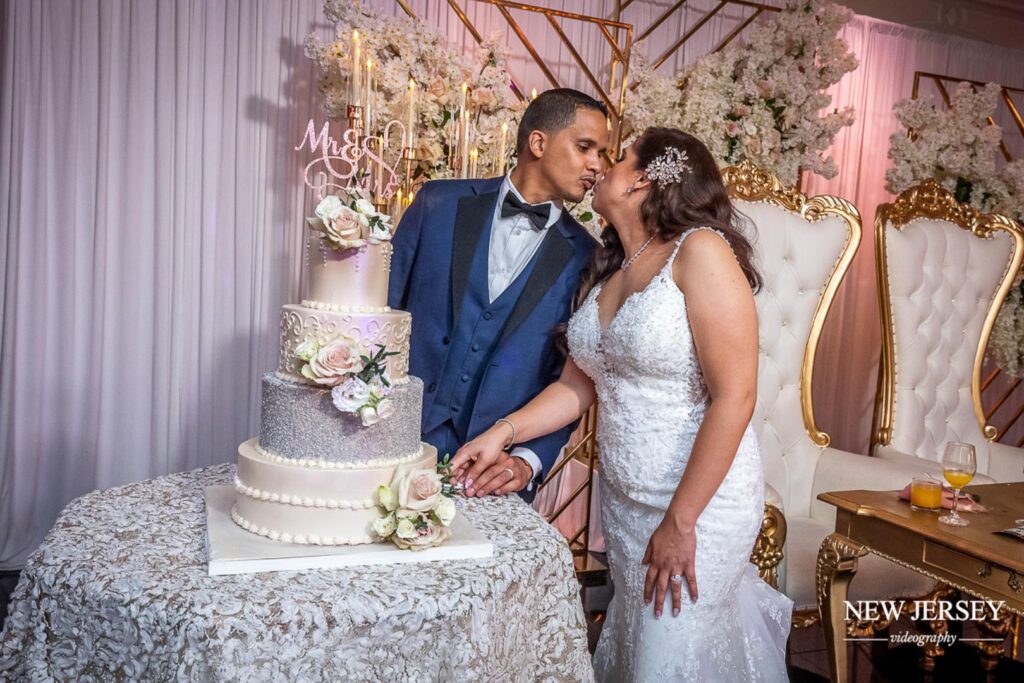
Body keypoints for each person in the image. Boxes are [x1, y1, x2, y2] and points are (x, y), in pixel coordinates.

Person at [452, 128, 794, 681]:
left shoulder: (700, 250)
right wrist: (504, 432)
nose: (601, 169)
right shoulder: (607, 269)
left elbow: (736, 396)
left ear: (643, 178)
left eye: (616, 158)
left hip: (699, 505)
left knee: (670, 657)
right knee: (641, 651)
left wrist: (681, 521)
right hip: (628, 506)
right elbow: (578, 386)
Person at [388, 88, 609, 499]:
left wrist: (528, 460)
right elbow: (380, 315)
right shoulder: (438, 204)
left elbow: (570, 382)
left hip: (490, 471)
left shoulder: (588, 257)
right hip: (391, 444)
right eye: (585, 147)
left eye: (602, 153)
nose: (596, 165)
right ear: (538, 143)